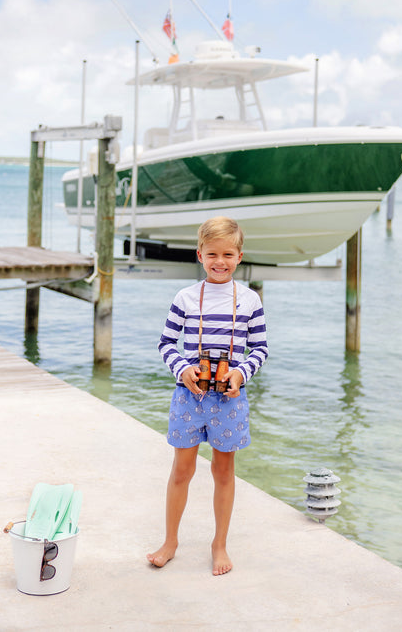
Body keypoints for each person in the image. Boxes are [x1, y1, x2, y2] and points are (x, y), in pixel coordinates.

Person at [146, 216, 268, 575]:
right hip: (189, 396)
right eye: (212, 254)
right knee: (181, 471)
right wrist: (182, 368)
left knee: (224, 471)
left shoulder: (249, 300)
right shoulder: (184, 297)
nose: (220, 261)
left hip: (229, 398)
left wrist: (240, 372)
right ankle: (170, 541)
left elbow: (260, 348)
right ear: (200, 255)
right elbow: (166, 343)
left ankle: (220, 544)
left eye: (228, 254)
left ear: (240, 256)